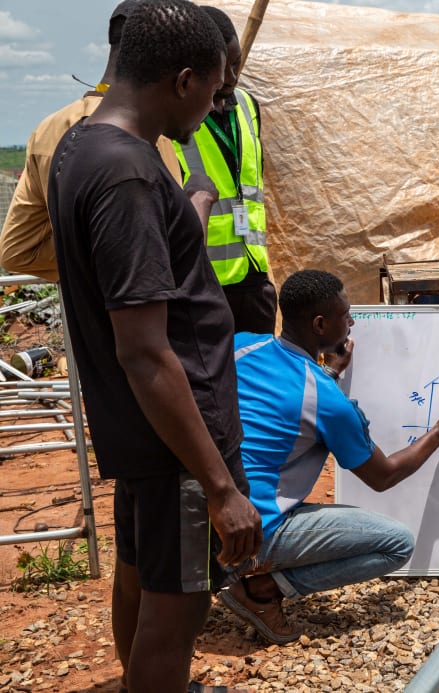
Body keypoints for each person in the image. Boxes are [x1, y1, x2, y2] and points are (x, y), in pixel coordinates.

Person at [47, 2, 261, 691]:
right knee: (178, 615)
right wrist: (220, 485)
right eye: (214, 89)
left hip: (147, 436)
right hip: (181, 439)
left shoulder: (83, 147)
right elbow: (145, 350)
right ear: (184, 79)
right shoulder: (130, 175)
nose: (214, 104)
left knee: (142, 586)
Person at [223, 269, 439, 644]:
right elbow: (383, 476)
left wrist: (326, 372)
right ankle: (263, 591)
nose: (352, 321)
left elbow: (283, 397)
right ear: (320, 324)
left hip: (208, 511)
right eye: (346, 316)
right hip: (254, 530)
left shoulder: (241, 345)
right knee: (397, 544)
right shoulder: (327, 400)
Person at [0, 0, 182, 282]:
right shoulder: (155, 133)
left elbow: (18, 251)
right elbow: (169, 246)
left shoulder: (47, 131)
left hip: (80, 317)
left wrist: (85, 262)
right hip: (152, 316)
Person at [172, 6, 275, 334]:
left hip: (255, 276)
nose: (232, 75)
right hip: (204, 282)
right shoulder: (175, 117)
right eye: (225, 65)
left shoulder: (247, 105)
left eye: (237, 62)